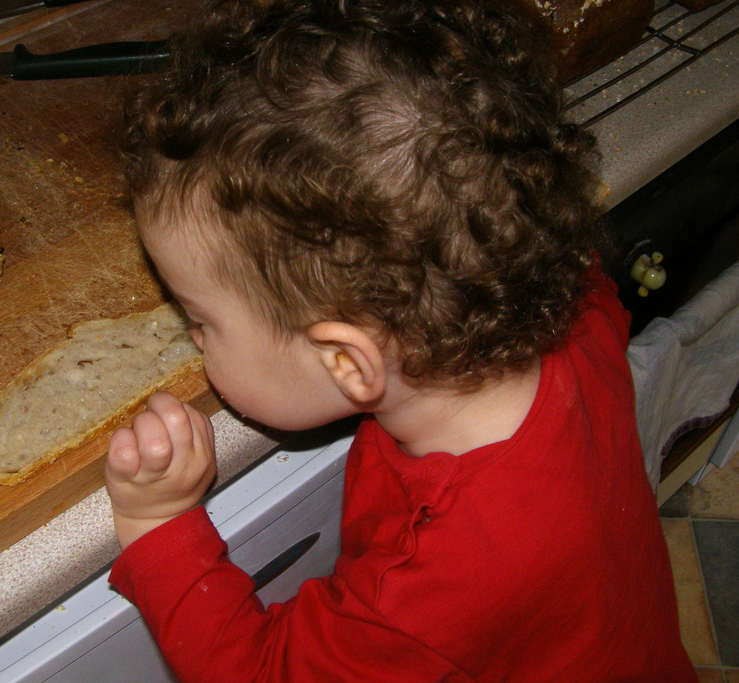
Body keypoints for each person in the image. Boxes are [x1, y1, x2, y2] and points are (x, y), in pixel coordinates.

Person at [103, 0, 697, 680]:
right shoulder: (567, 306)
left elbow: (261, 672)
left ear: (348, 361)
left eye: (200, 320)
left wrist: (159, 523)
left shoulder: (432, 584)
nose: (192, 338)